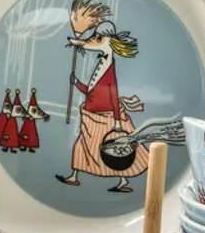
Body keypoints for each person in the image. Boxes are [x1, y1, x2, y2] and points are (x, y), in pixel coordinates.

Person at [57, 17, 147, 191]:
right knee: (84, 147)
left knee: (117, 151)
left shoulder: (109, 69)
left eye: (98, 39)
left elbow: (112, 96)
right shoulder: (102, 63)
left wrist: (117, 121)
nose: (94, 41)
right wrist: (77, 83)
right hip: (91, 115)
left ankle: (123, 181)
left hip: (106, 118)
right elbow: (92, 92)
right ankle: (75, 176)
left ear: (109, 42)